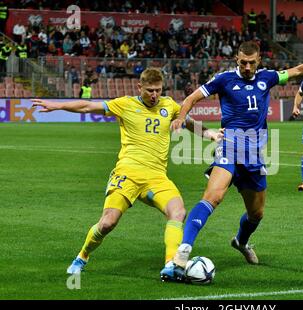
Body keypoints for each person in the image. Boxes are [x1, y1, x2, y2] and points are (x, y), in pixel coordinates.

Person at [160, 37, 303, 282]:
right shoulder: (224, 79)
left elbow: (299, 70)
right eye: (243, 62)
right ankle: (182, 255)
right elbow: (191, 98)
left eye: (251, 63)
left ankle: (241, 242)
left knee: (256, 214)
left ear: (259, 61)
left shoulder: (267, 77)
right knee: (212, 197)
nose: (247, 67)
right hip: (229, 147)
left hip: (254, 156)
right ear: (237, 58)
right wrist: (181, 118)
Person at [30, 68, 223, 275]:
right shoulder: (125, 104)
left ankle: (170, 265)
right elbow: (87, 106)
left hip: (156, 177)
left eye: (158, 90)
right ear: (139, 87)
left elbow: (187, 122)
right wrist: (57, 105)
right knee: (107, 223)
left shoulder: (169, 105)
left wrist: (209, 133)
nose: (154, 95)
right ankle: (82, 257)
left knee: (178, 212)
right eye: (149, 90)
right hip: (127, 174)